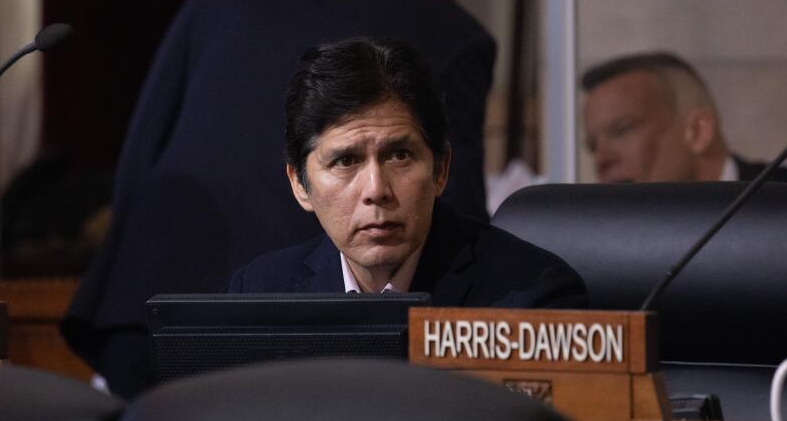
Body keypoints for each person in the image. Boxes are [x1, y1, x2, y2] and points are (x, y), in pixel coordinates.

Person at [64, 0, 507, 397]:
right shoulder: (455, 33)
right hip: (305, 345)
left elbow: (147, 136)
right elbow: (448, 213)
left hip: (150, 310)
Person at [230, 38, 587, 310]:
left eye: (399, 155)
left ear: (441, 169)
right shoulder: (260, 294)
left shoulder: (533, 295)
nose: (376, 190)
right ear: (299, 184)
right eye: (346, 161)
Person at [581, 52, 787, 184]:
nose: (602, 160)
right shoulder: (609, 241)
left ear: (698, 131)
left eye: (622, 130)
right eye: (593, 146)